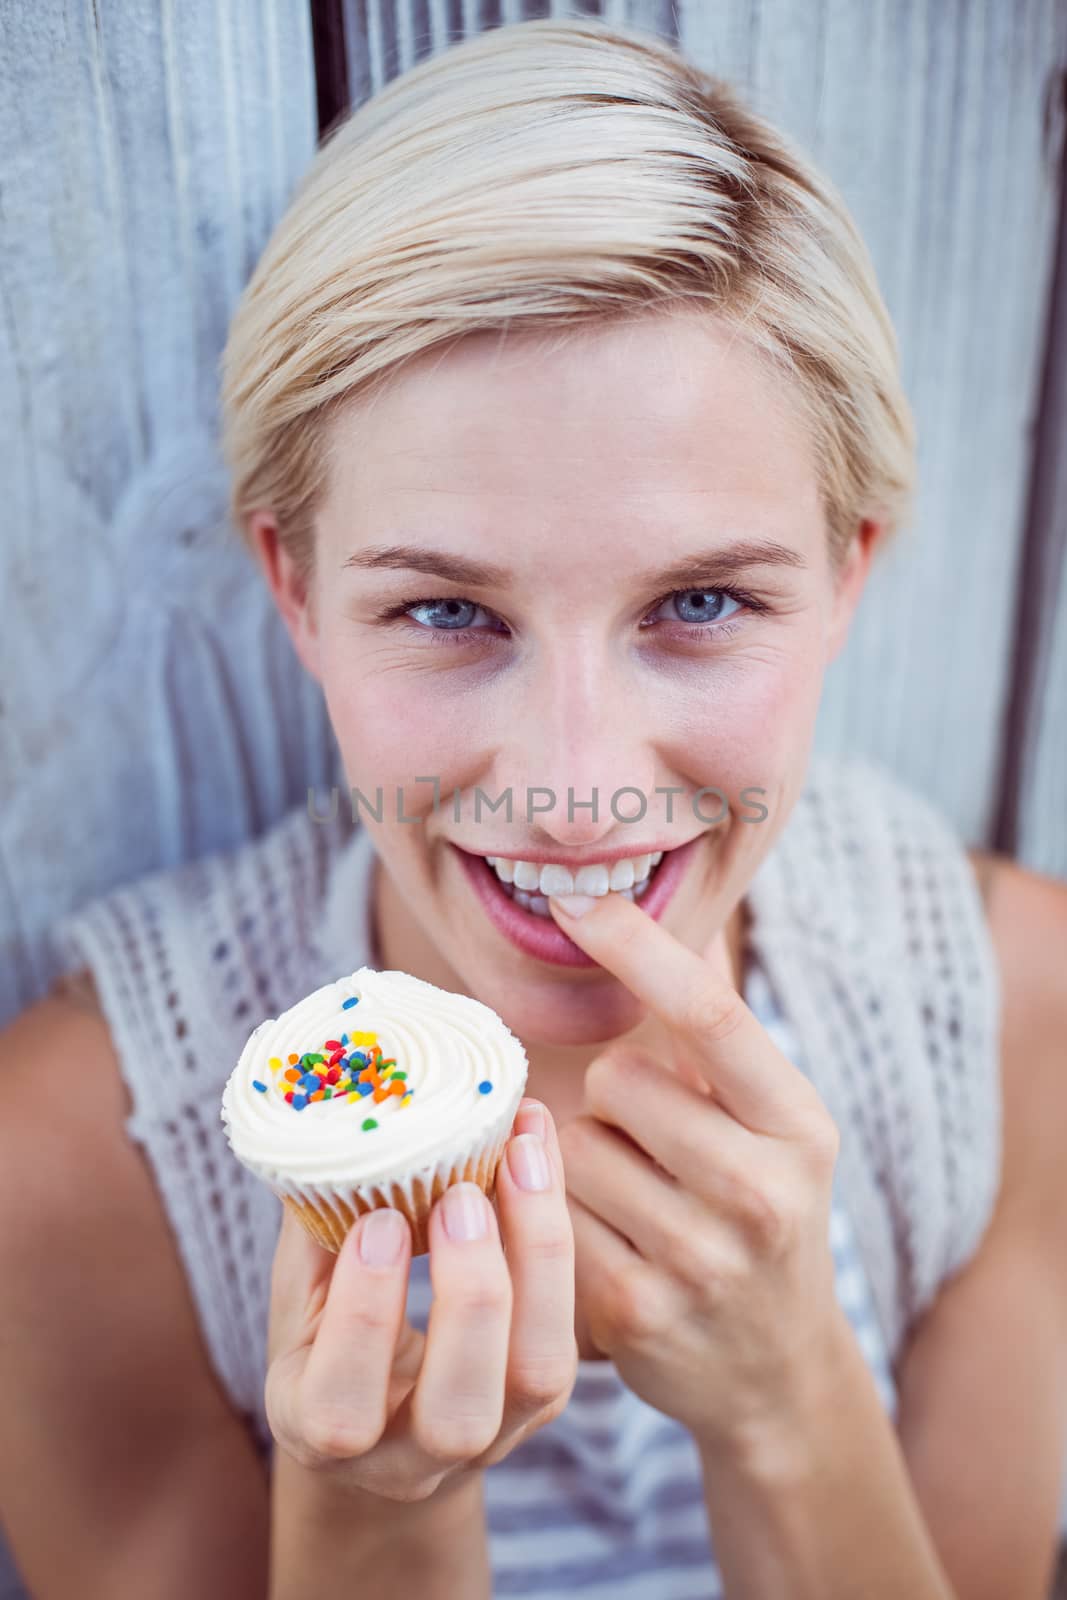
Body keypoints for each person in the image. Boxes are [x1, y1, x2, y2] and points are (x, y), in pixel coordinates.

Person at [2, 15, 1065, 1600]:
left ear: (848, 572)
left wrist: (789, 1401)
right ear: (294, 586)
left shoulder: (1014, 1020)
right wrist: (373, 1508)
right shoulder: (83, 1156)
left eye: (700, 601)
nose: (577, 786)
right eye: (448, 613)